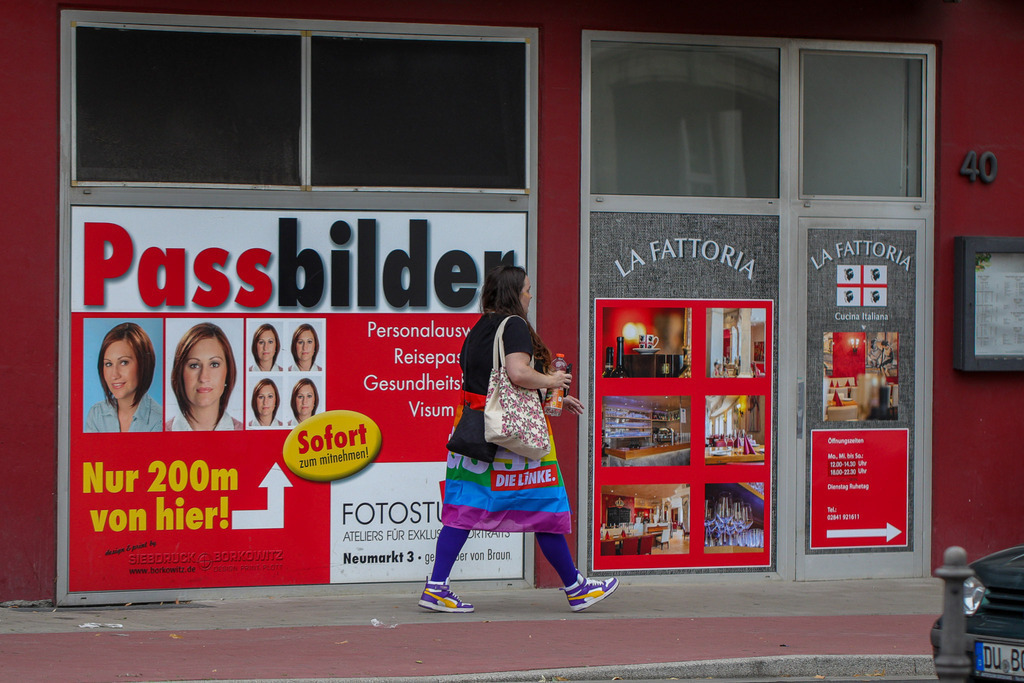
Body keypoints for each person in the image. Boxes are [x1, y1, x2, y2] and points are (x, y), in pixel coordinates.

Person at [419, 265, 618, 614]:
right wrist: (553, 380)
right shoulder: (514, 326)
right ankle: (575, 587)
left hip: (473, 433)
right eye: (527, 289)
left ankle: (436, 587)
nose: (530, 295)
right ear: (513, 293)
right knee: (545, 506)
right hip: (513, 440)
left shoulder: (479, 328)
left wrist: (548, 394)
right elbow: (517, 373)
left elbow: (492, 384)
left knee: (462, 509)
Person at [85, 322, 162, 432]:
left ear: (143, 364)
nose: (114, 375)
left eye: (124, 362)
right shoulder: (97, 415)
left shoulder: (159, 421)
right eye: (108, 364)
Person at [165, 322, 242, 431]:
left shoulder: (250, 436)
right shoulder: (155, 434)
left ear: (228, 372)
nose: (203, 377)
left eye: (214, 364)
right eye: (194, 365)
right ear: (180, 374)